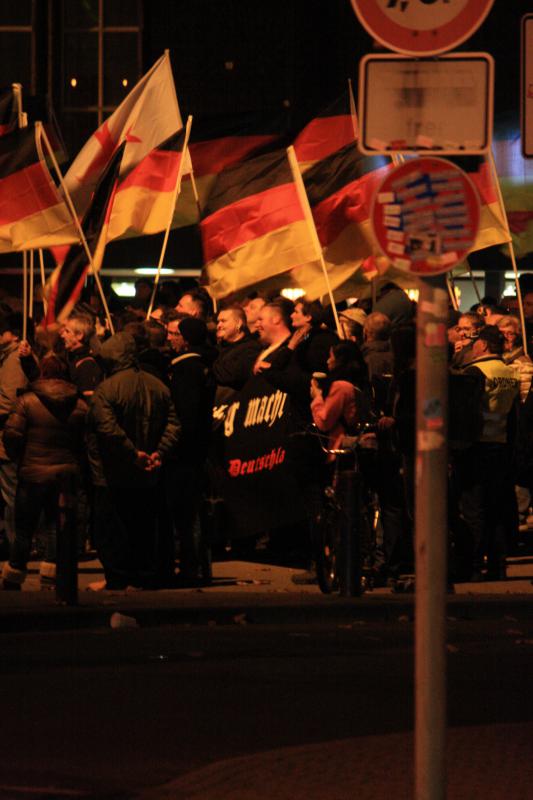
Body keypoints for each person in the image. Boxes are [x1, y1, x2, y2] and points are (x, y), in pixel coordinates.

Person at [87, 333, 180, 590]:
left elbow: (107, 429)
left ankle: (116, 578)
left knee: (112, 527)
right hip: (148, 470)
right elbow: (174, 424)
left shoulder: (106, 389)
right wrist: (158, 452)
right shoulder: (158, 385)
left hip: (113, 471)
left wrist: (132, 454)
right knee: (142, 525)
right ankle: (140, 576)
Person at [1, 356, 87, 590]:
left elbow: (12, 435)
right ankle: (50, 572)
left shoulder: (26, 401)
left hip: (32, 474)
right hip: (64, 475)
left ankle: (14, 573)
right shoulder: (79, 405)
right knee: (54, 525)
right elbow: (85, 440)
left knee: (24, 528)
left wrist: (19, 457)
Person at [455, 326, 520, 580]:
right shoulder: (509, 373)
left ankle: (472, 565)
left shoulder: (475, 372)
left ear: (482, 346)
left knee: (473, 508)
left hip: (476, 446)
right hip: (501, 444)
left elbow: (466, 413)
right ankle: (497, 564)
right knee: (496, 507)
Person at [166, 314, 217, 585]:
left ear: (185, 339)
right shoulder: (205, 365)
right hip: (198, 449)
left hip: (185, 452)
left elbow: (186, 416)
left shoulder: (187, 370)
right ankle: (196, 564)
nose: (170, 338)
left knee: (187, 512)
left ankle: (192, 567)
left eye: (175, 334)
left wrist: (174, 445)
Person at [213, 306, 261, 400]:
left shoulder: (251, 348)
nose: (218, 325)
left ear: (238, 323)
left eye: (223, 321)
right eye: (218, 322)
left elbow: (232, 376)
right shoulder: (219, 348)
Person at [60, 311, 104, 398]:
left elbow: (87, 403)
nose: (62, 335)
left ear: (79, 335)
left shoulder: (87, 365)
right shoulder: (71, 357)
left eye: (67, 331)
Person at [289, 299, 338, 374]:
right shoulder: (303, 337)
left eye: (296, 312)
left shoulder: (320, 339)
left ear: (308, 317)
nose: (291, 315)